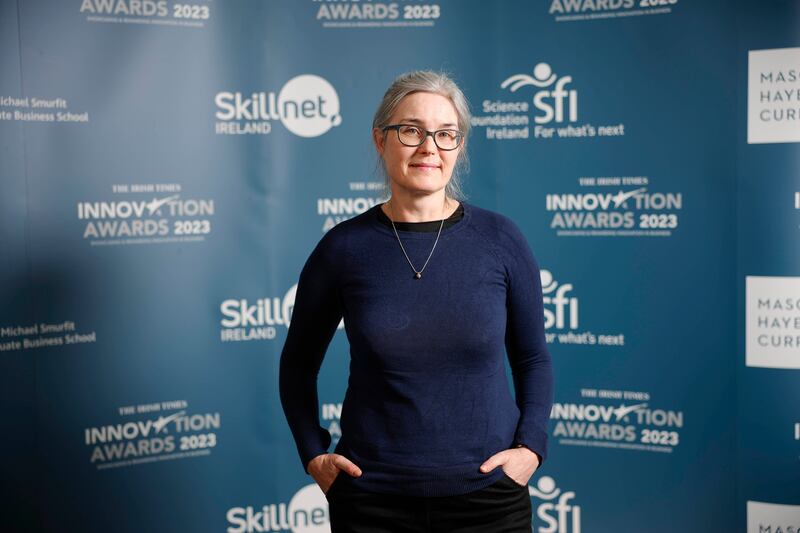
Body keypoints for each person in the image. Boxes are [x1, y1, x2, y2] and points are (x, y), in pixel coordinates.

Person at [279, 70, 553, 532]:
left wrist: (530, 447)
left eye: (446, 134)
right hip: (372, 502)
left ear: (459, 147)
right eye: (412, 130)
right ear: (380, 140)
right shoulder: (344, 249)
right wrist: (313, 454)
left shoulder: (501, 239)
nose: (430, 148)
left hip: (489, 498)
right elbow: (298, 364)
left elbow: (532, 358)